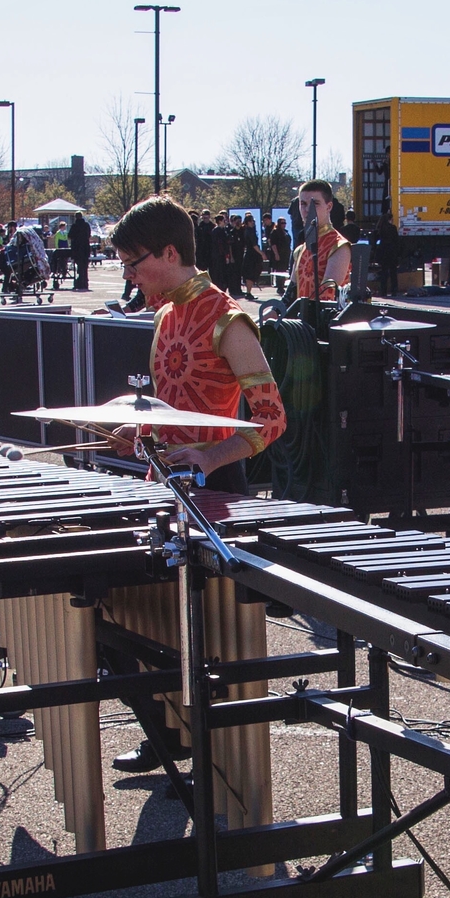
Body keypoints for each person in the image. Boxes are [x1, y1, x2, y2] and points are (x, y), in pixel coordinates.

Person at [102, 194, 289, 772]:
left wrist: (207, 459)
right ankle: (168, 730)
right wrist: (135, 437)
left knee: (206, 631)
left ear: (169, 252)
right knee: (137, 623)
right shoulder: (163, 315)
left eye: (135, 263)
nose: (130, 276)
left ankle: (215, 751)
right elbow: (168, 408)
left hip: (214, 490)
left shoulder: (227, 318)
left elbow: (272, 418)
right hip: (163, 485)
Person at [291, 181, 350, 304]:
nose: (307, 209)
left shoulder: (339, 246)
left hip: (327, 320)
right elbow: (289, 296)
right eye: (303, 204)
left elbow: (327, 296)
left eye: (315, 203)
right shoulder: (301, 249)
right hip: (302, 319)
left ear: (329, 207)